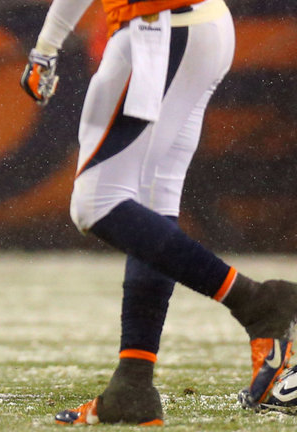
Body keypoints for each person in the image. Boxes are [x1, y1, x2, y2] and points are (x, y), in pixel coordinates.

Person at [21, 0, 297, 425]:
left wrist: (47, 45)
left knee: (96, 204)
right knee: (151, 202)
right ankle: (133, 384)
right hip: (200, 25)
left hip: (158, 26)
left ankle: (257, 301)